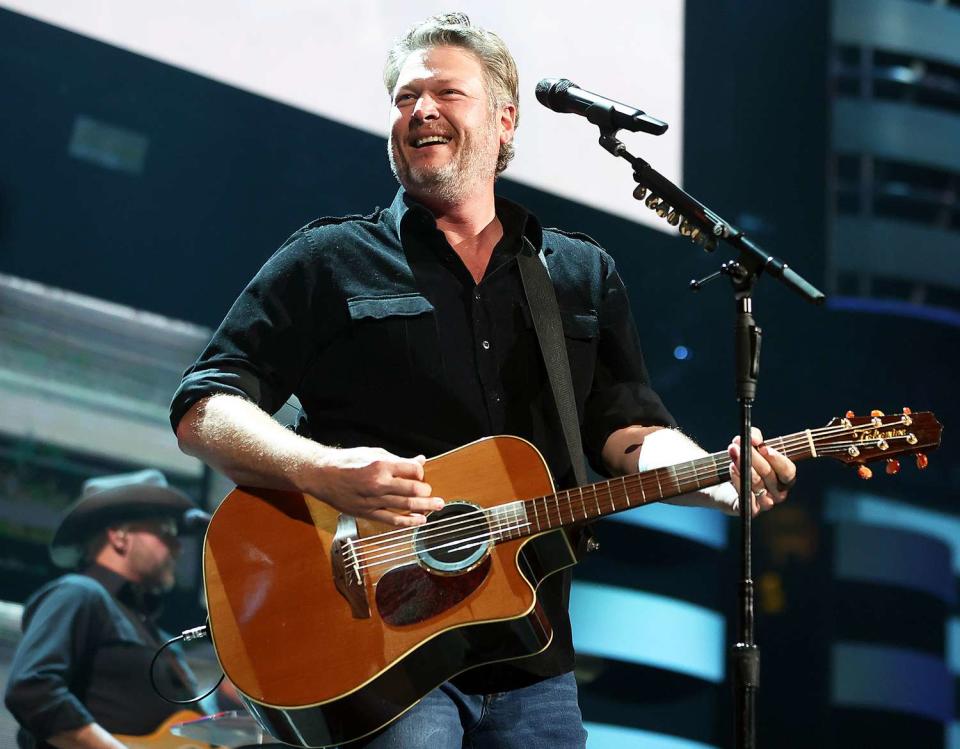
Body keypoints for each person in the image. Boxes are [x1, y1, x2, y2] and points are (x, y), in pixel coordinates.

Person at [170, 12, 797, 748]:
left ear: (504, 121)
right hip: (376, 653)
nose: (420, 110)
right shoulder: (329, 258)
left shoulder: (577, 273)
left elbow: (626, 430)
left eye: (445, 93)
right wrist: (325, 469)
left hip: (534, 663)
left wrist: (713, 479)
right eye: (405, 99)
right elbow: (202, 406)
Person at [4, 469, 208, 749]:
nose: (177, 547)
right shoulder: (79, 593)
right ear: (120, 537)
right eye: (166, 532)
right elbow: (32, 690)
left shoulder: (159, 637)